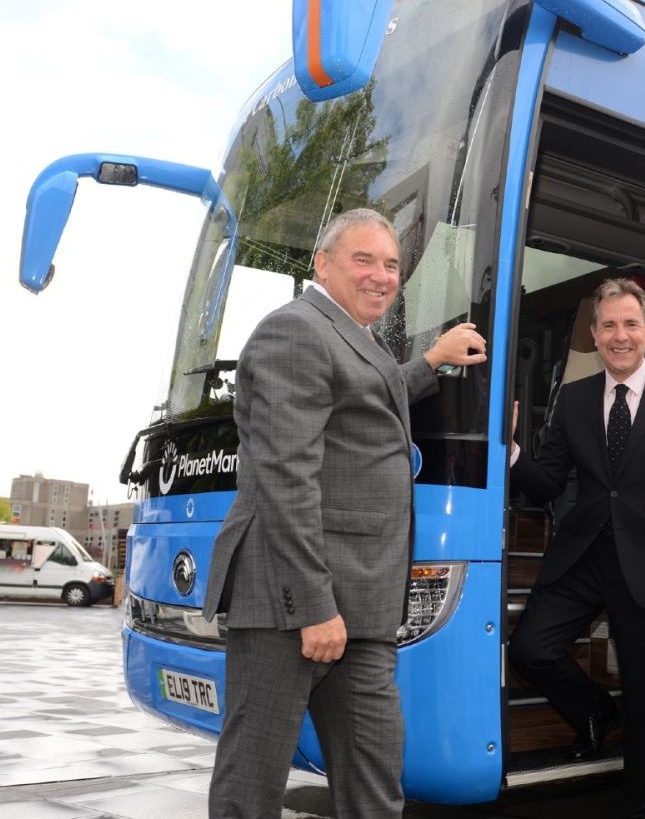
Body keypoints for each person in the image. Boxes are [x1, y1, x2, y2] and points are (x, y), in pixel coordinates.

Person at [202, 208, 487, 819]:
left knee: (374, 779)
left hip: (360, 603)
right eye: (364, 260)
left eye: (391, 264)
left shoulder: (352, 337)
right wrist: (314, 606)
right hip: (296, 603)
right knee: (251, 785)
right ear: (322, 264)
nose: (382, 276)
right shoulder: (294, 332)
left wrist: (431, 359)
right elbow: (286, 479)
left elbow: (366, 399)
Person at [508, 278, 645, 819]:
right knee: (531, 648)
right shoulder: (575, 399)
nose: (620, 335)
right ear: (594, 334)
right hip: (583, 556)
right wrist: (510, 450)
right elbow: (550, 482)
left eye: (630, 324)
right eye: (609, 326)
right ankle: (594, 712)